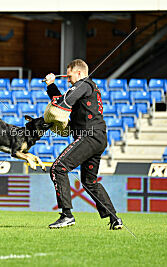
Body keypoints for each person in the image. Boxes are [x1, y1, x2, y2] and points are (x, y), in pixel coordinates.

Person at [44, 59, 123, 230]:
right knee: (89, 181)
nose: (67, 79)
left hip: (89, 136)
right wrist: (51, 87)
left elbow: (60, 104)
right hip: (98, 137)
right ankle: (115, 218)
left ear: (79, 73)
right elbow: (63, 101)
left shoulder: (83, 84)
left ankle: (67, 215)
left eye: (69, 75)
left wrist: (51, 85)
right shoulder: (88, 87)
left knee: (58, 168)